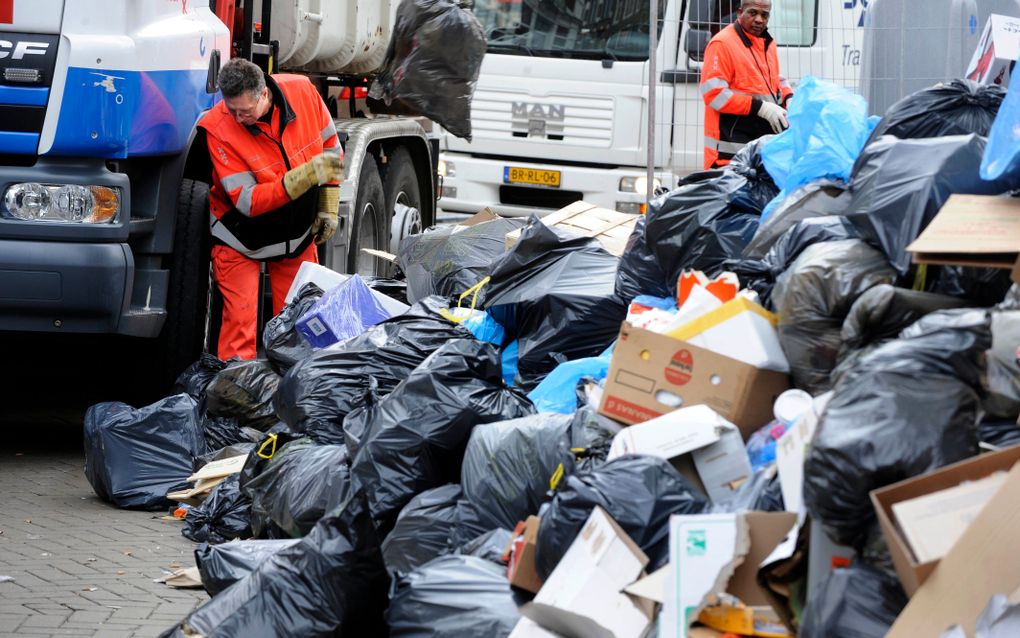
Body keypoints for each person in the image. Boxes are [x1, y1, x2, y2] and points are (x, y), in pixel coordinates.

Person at [198, 58, 344, 360]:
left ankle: (295, 393)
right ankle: (235, 394)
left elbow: (331, 149)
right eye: (233, 110)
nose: (239, 118)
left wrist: (328, 203)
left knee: (300, 325)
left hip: (295, 233)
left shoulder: (303, 92)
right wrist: (300, 178)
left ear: (264, 94)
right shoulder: (217, 128)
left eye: (246, 111)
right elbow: (248, 202)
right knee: (240, 325)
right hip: (240, 237)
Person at [700, 0, 793, 169]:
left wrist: (789, 97)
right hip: (728, 156)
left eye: (764, 15)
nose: (759, 19)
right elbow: (714, 94)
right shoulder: (723, 44)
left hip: (757, 154)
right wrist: (761, 108)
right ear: (739, 13)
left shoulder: (767, 44)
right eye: (753, 13)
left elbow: (773, 81)